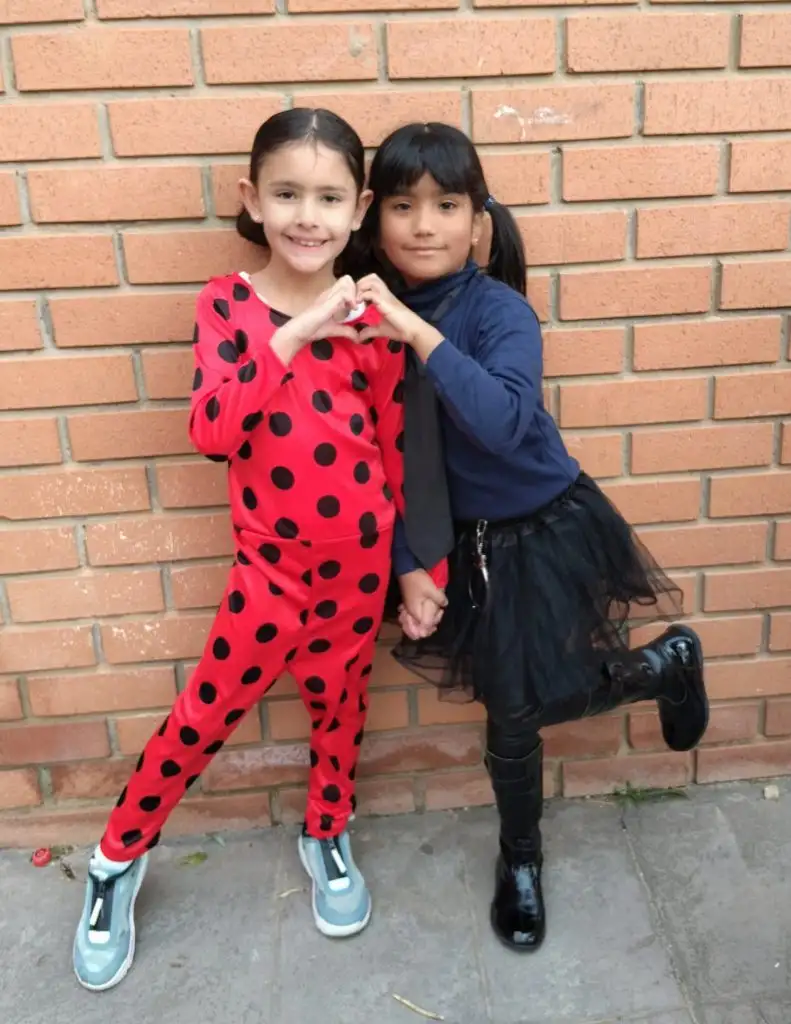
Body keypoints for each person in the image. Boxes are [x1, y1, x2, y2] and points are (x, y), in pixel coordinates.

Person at [72, 108, 443, 992]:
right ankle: (115, 859)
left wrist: (414, 569)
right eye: (286, 194)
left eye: (328, 198)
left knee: (339, 709)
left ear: (358, 209)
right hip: (270, 574)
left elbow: (396, 452)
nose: (307, 217)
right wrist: (297, 330)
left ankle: (326, 831)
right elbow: (212, 429)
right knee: (203, 714)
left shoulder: (372, 318)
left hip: (358, 565)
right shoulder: (226, 306)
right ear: (252, 199)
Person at [350, 122, 708, 954]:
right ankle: (523, 855)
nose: (423, 225)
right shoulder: (363, 320)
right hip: (454, 541)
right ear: (374, 218)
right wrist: (408, 564)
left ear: (478, 221)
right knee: (509, 714)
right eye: (402, 206)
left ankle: (659, 669)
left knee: (523, 704)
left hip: (541, 529)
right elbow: (376, 459)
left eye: (446, 205)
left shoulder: (498, 312)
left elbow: (503, 423)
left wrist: (416, 333)